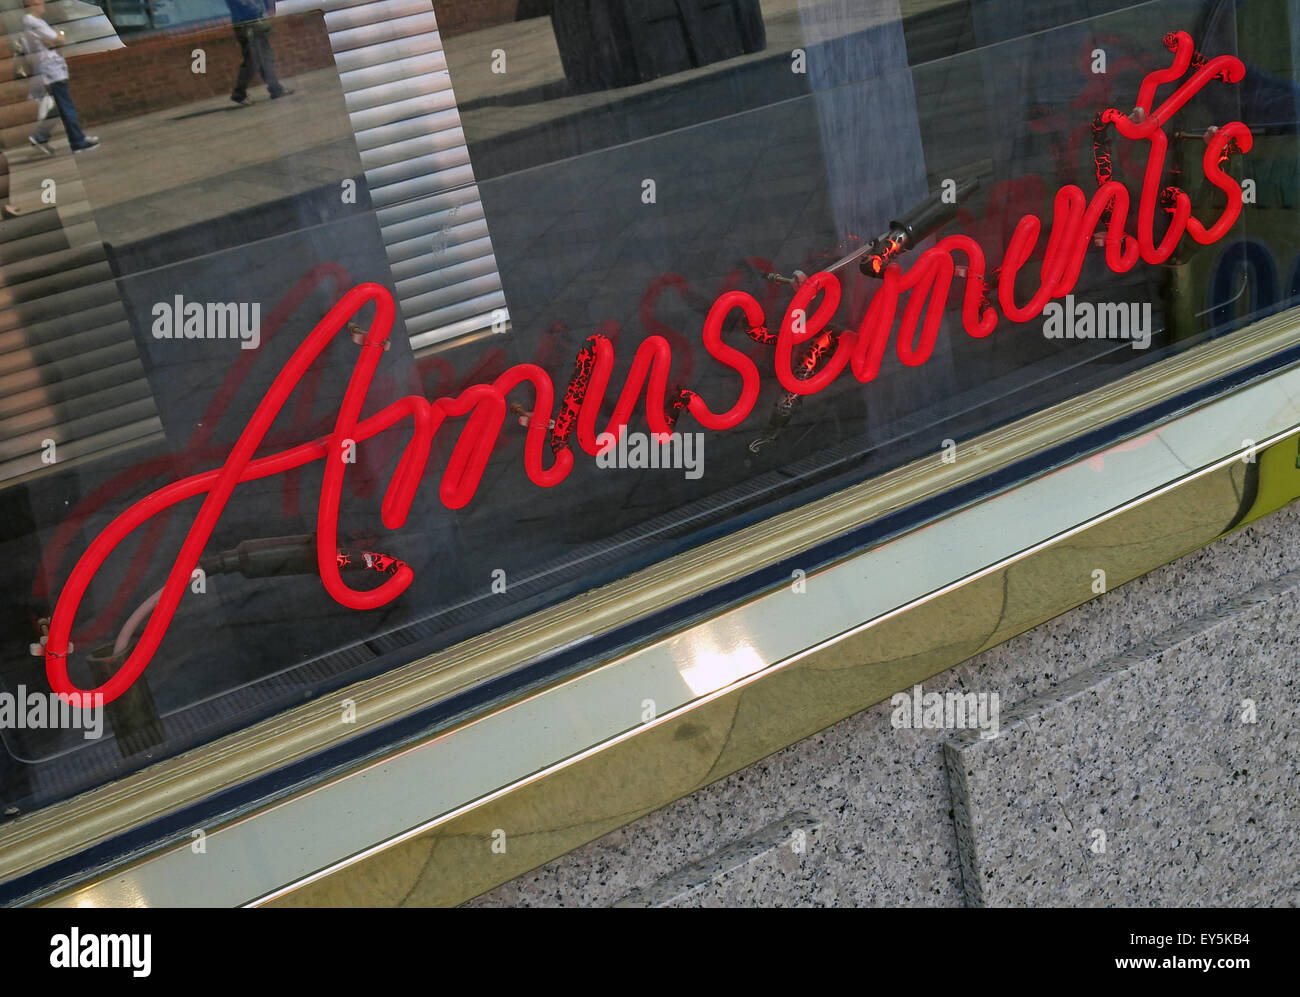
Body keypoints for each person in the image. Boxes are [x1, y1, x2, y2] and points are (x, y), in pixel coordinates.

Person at [22, 0, 99, 153]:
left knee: (59, 108)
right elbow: (59, 40)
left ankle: (40, 137)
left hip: (49, 70)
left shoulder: (33, 23)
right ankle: (77, 142)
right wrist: (58, 38)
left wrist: (55, 40)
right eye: (39, 1)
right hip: (51, 71)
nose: (43, 3)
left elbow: (54, 41)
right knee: (66, 106)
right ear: (31, 4)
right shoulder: (33, 22)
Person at [226, 0, 294, 106]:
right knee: (253, 60)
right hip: (249, 26)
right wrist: (260, 11)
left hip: (255, 24)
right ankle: (239, 93)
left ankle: (275, 88)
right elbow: (247, 5)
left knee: (265, 58)